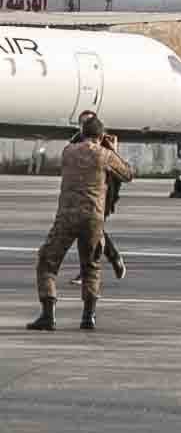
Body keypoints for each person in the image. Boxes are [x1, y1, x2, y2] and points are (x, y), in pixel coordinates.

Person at [26, 116, 133, 332]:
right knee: (91, 266)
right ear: (101, 136)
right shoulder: (105, 156)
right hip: (93, 219)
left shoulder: (68, 152)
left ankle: (48, 315)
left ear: (82, 133)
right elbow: (128, 174)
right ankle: (88, 317)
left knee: (47, 261)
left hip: (67, 217)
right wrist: (111, 149)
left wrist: (81, 135)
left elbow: (73, 142)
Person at [68, 109, 127, 286]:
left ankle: (103, 264)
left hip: (101, 193)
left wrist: (113, 150)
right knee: (91, 232)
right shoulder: (75, 142)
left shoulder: (103, 141)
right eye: (82, 122)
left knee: (90, 232)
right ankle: (112, 259)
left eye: (88, 121)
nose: (85, 125)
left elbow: (120, 171)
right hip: (80, 194)